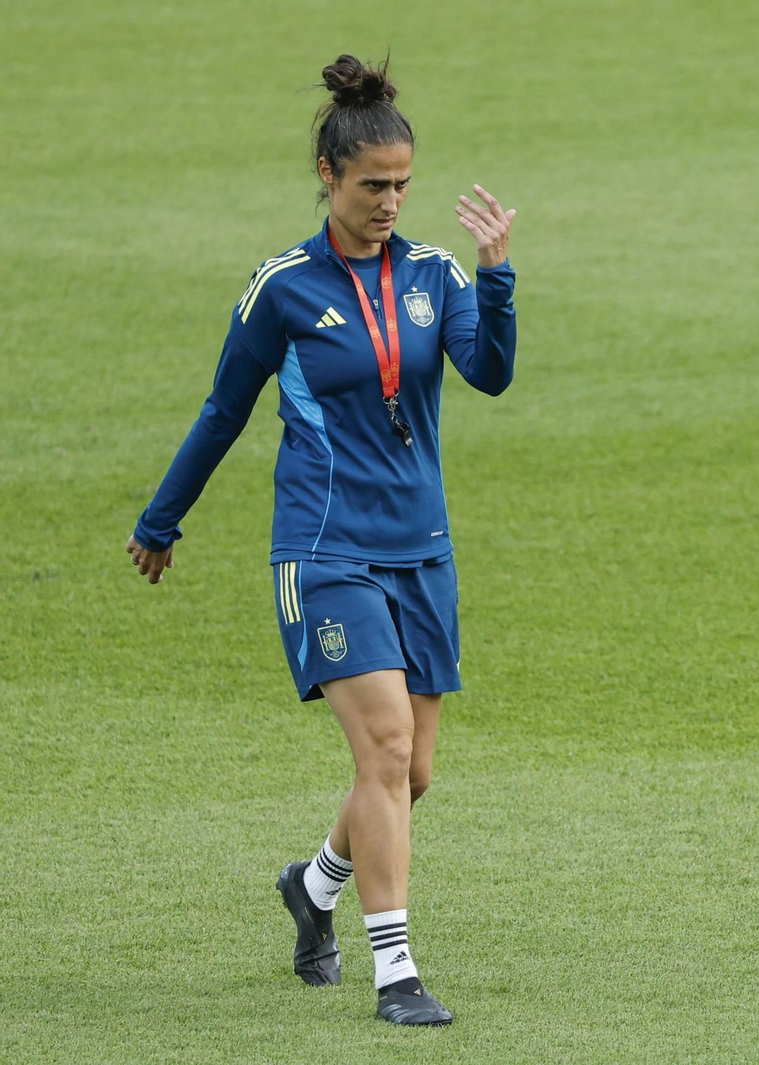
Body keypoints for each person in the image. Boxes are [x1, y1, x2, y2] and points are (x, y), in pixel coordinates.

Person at [124, 54, 519, 1027]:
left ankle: (315, 886)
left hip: (422, 548)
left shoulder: (433, 275)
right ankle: (396, 975)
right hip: (325, 547)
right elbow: (223, 411)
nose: (389, 202)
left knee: (411, 772)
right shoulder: (284, 290)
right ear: (328, 176)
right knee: (383, 747)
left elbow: (490, 373)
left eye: (401, 185)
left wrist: (497, 275)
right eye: (371, 185)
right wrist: (159, 522)